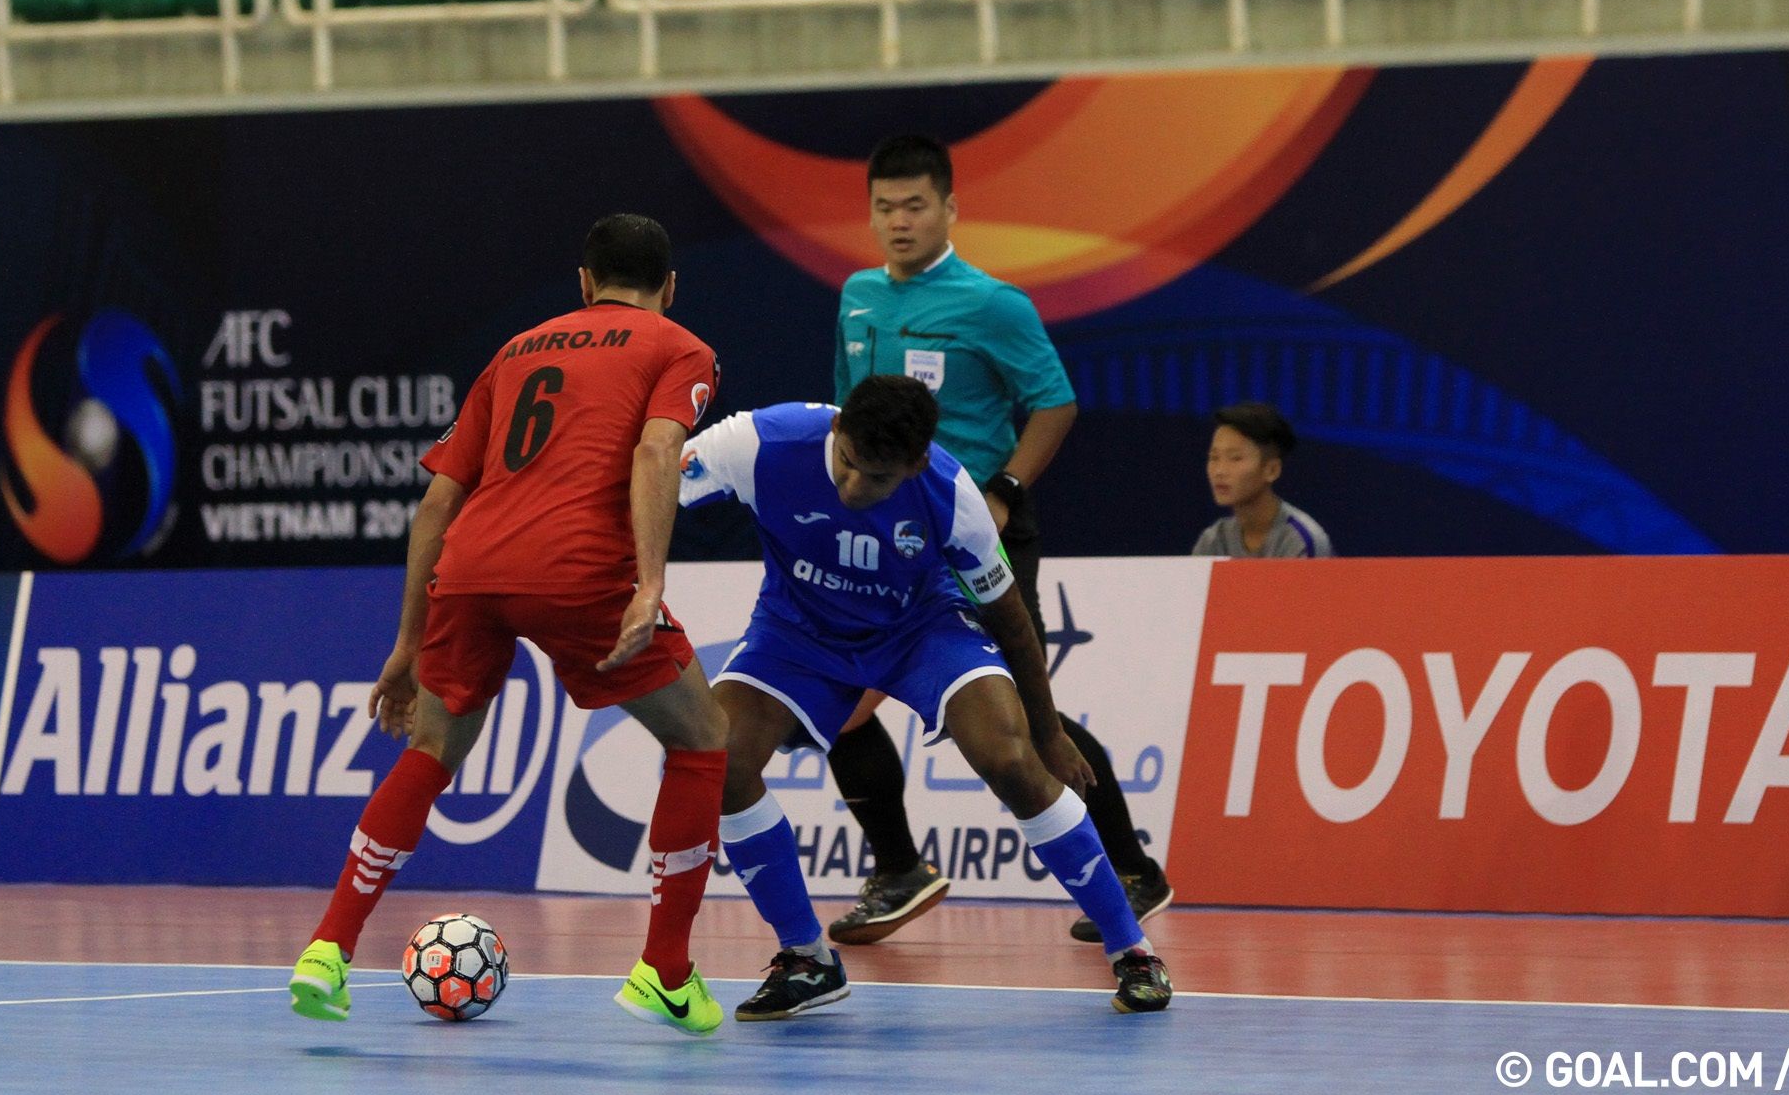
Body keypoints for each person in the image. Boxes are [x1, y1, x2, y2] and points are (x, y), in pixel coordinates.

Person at [288, 214, 731, 1037]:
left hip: (471, 569)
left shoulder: (517, 350)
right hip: (577, 571)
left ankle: (328, 948)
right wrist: (651, 582)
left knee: (431, 752)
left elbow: (437, 504)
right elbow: (655, 451)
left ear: (583, 283)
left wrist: (405, 644)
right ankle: (667, 969)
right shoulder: (680, 347)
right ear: (670, 289)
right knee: (703, 738)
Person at [681, 375, 1173, 1019]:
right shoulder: (758, 441)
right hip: (798, 631)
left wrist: (1049, 734)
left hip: (922, 631)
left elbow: (1012, 621)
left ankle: (1132, 952)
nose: (855, 489)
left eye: (877, 479)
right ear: (837, 431)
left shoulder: (948, 492)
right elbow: (654, 479)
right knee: (720, 760)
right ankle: (807, 958)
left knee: (1009, 760)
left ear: (913, 465)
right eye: (848, 464)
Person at [825, 133, 1173, 947]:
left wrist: (1007, 489)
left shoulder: (994, 305)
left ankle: (1130, 868)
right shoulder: (856, 296)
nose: (899, 221)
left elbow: (1054, 402)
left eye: (916, 205)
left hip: (976, 527)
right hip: (884, 529)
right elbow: (849, 414)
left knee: (1018, 709)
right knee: (843, 701)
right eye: (885, 208)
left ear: (950, 208)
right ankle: (900, 868)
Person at [1194, 402, 1333, 558]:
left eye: (1235, 458)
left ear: (1271, 470)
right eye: (1214, 458)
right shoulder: (1213, 541)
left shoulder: (1300, 539)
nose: (1219, 471)